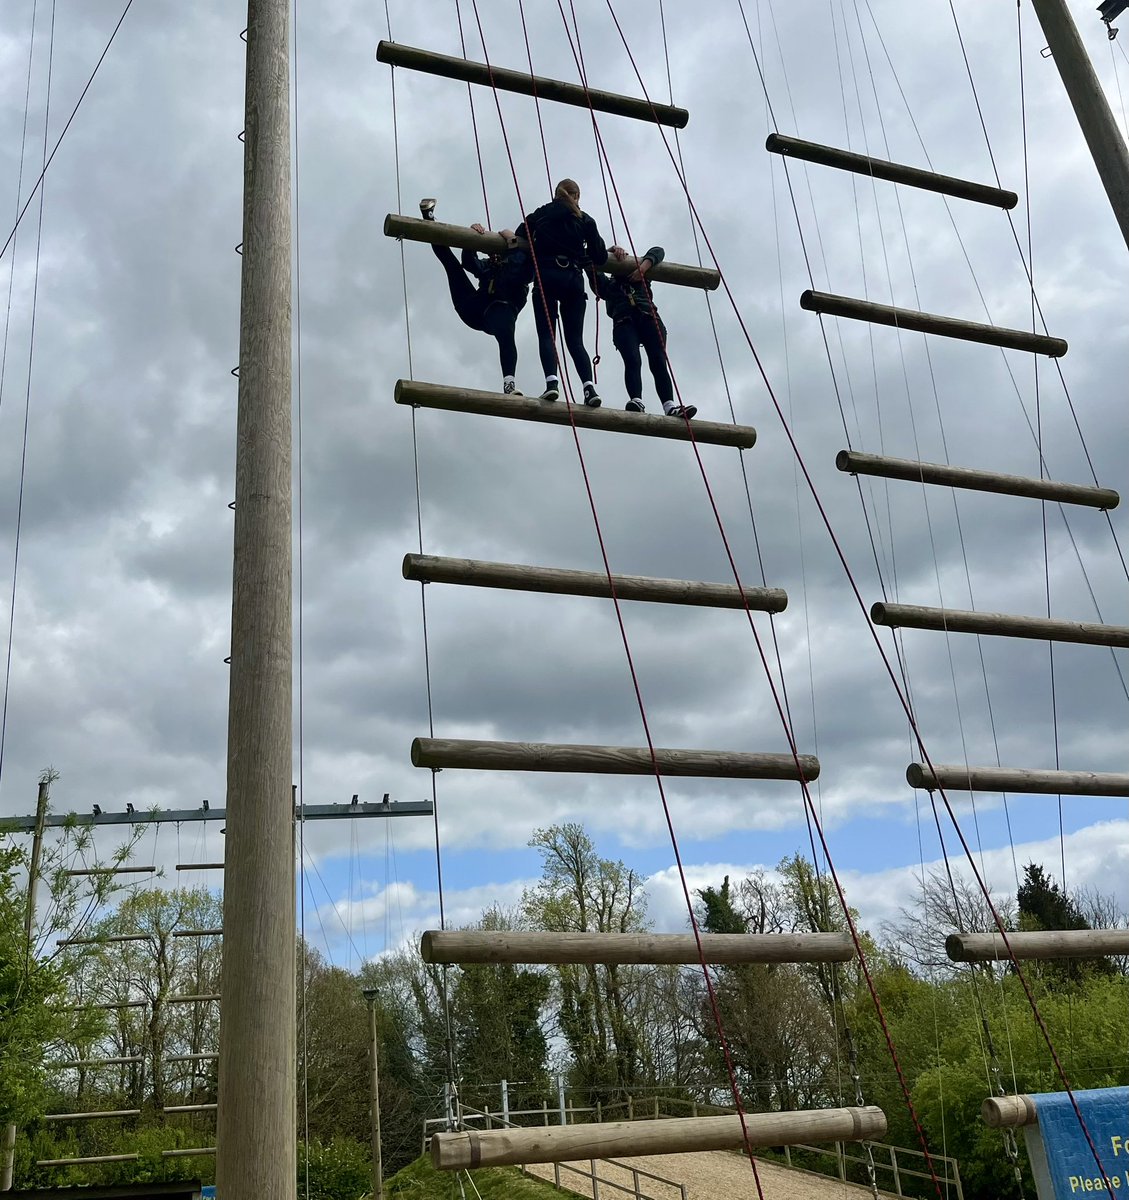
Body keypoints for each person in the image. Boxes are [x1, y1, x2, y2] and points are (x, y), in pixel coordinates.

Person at [420, 198, 532, 395]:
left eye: (497, 254)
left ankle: (509, 383)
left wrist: (510, 237)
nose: (494, 258)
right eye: (492, 255)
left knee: (506, 333)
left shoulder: (516, 268)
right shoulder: (489, 267)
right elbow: (470, 264)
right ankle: (428, 219)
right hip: (474, 308)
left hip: (501, 311)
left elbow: (518, 262)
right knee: (452, 266)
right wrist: (471, 241)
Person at [514, 179, 607, 407]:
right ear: (577, 196)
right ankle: (588, 388)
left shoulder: (541, 214)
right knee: (575, 341)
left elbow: (520, 234)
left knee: (548, 335)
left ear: (555, 194)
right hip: (573, 279)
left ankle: (552, 384)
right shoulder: (585, 219)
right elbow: (601, 257)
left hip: (546, 276)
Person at [588, 243, 696, 419]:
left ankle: (670, 406)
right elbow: (591, 265)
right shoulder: (608, 286)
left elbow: (658, 250)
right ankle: (636, 400)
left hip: (648, 317)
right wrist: (607, 253)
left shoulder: (642, 277)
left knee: (658, 361)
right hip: (624, 322)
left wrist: (643, 268)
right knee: (632, 360)